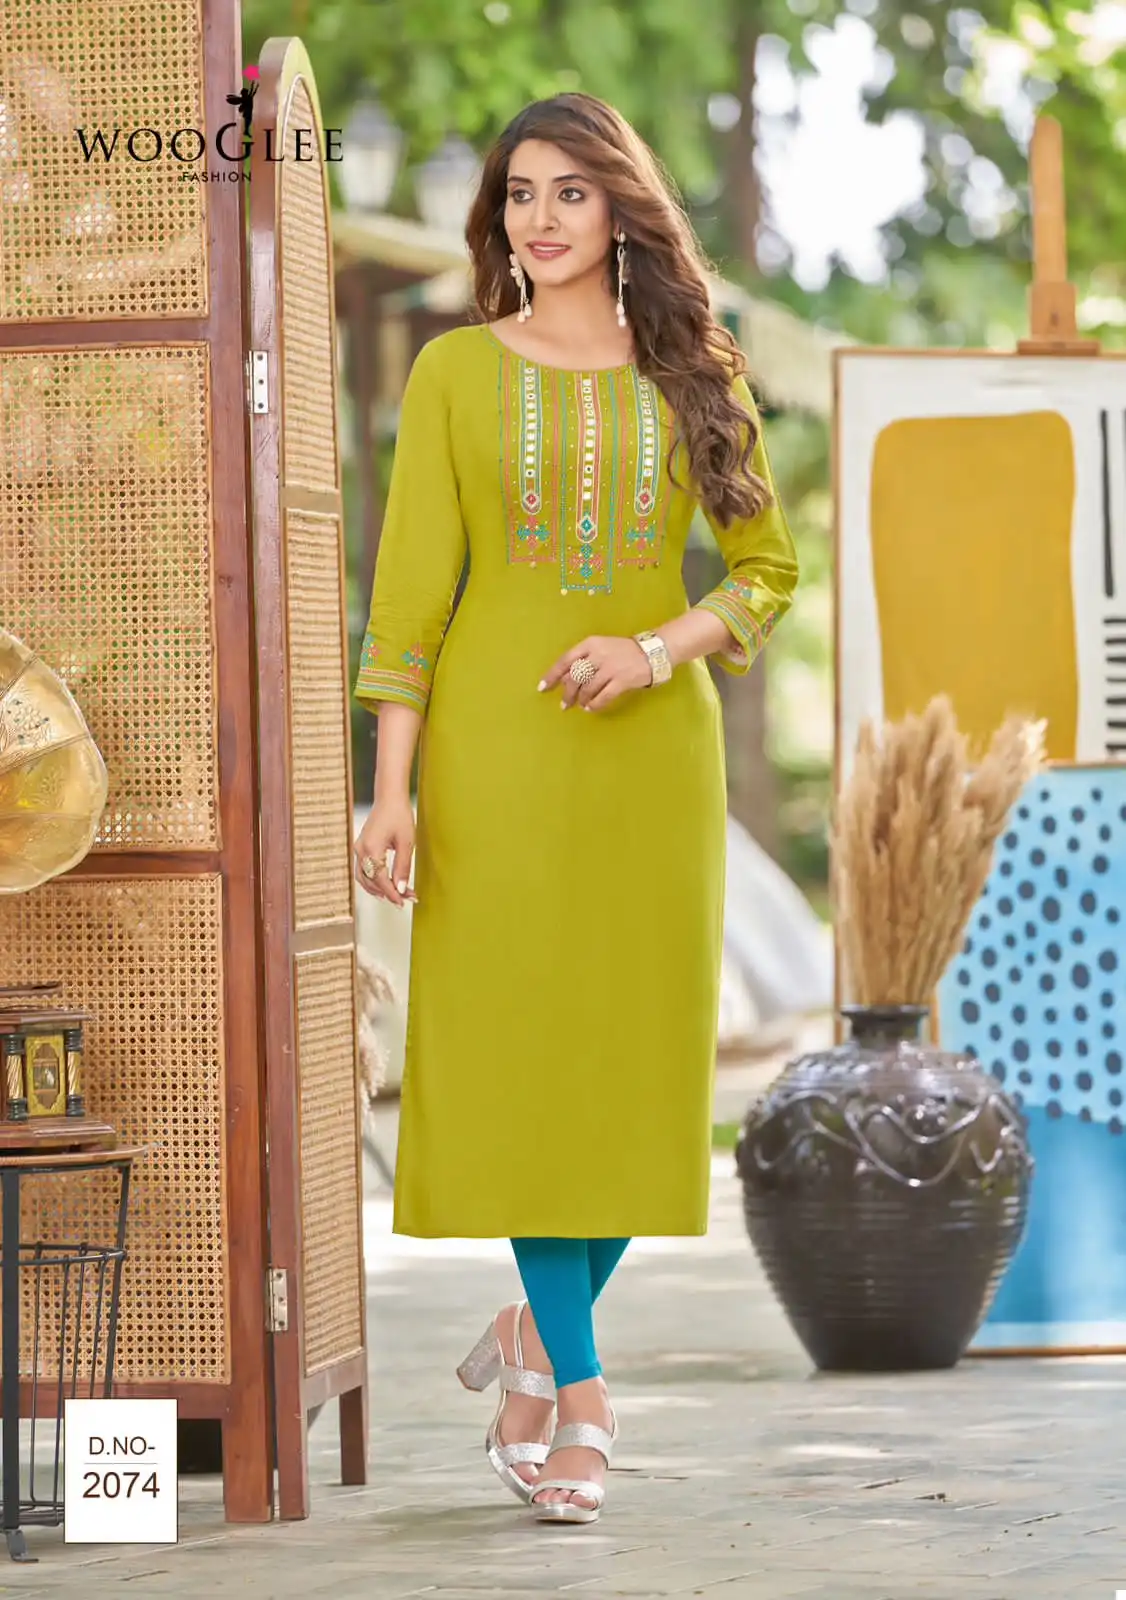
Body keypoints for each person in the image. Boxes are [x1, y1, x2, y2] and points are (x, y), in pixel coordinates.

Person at [353, 91, 798, 1527]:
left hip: (648, 768)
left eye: (569, 192)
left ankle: (532, 1338)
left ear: (620, 210)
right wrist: (391, 791)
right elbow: (411, 597)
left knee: (628, 1075)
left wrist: (656, 648)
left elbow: (766, 575)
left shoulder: (693, 371)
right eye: (518, 194)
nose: (538, 219)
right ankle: (586, 1394)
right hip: (495, 762)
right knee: (525, 1070)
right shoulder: (453, 372)